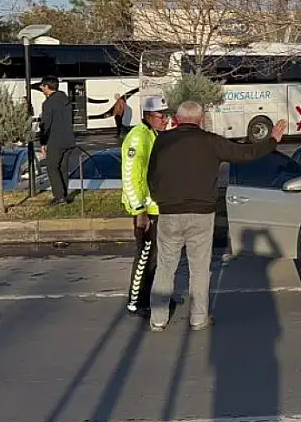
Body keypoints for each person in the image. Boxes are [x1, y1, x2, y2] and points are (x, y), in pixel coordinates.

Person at [146, 101, 287, 332]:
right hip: (201, 214)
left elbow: (151, 175)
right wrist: (271, 141)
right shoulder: (210, 142)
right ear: (201, 120)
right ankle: (198, 318)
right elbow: (245, 153)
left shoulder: (162, 140)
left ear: (178, 119)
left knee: (165, 267)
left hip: (170, 213)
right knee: (200, 268)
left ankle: (158, 319)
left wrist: (160, 199)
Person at [121, 96, 172, 318]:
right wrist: (139, 210)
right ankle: (136, 302)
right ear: (148, 116)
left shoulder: (153, 135)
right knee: (145, 257)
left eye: (166, 115)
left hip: (156, 208)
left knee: (155, 258)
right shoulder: (138, 137)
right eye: (161, 116)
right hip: (146, 211)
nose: (165, 120)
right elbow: (131, 177)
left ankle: (150, 296)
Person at [38, 76, 76, 205]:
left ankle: (59, 197)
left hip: (55, 140)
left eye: (42, 86)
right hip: (69, 139)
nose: (42, 88)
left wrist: (43, 142)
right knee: (63, 168)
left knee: (52, 167)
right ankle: (64, 194)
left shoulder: (48, 103)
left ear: (47, 87)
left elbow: (45, 125)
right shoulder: (66, 100)